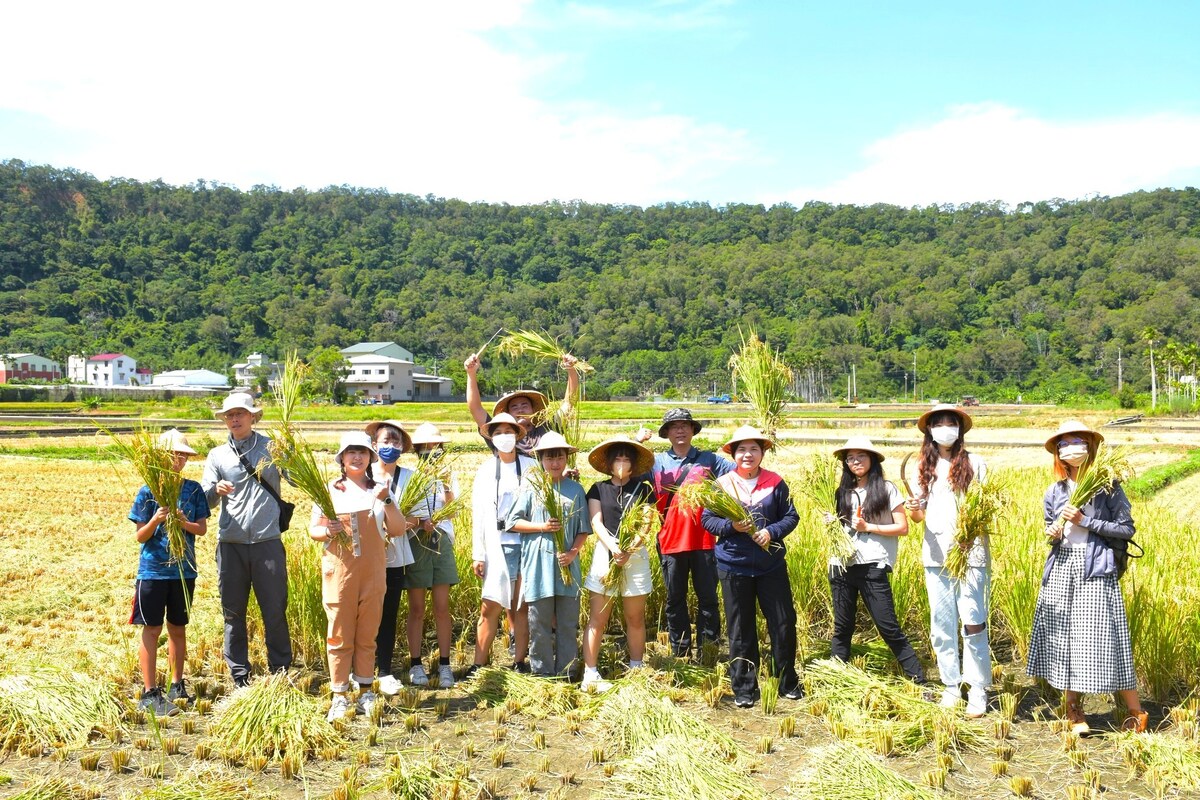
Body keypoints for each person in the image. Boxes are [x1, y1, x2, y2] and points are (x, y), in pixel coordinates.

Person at [1026, 421, 1147, 735]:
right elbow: (1053, 532)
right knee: (1066, 639)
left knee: (1109, 639)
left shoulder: (1108, 487)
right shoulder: (1054, 491)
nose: (1070, 448)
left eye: (1076, 441)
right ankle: (1074, 710)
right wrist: (1053, 532)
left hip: (1095, 569)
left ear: (1090, 447)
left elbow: (1126, 529)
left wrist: (1086, 520)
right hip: (1061, 568)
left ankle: (1136, 712)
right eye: (1063, 445)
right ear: (1058, 454)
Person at [309, 431, 409, 722]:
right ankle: (339, 696)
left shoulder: (379, 488)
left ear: (370, 457)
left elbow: (399, 529)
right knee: (339, 633)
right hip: (339, 570)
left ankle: (366, 690)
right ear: (341, 458)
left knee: (368, 633)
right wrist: (329, 531)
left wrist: (387, 499)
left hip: (374, 571)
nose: (356, 456)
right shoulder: (329, 490)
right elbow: (314, 530)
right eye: (351, 452)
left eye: (362, 452)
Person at [701, 426, 801, 707]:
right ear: (733, 454)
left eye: (754, 449)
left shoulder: (775, 483)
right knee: (740, 628)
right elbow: (708, 521)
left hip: (771, 565)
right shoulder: (722, 484)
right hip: (733, 565)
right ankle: (744, 688)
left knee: (783, 623)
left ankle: (786, 681)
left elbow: (791, 517)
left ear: (762, 453)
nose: (748, 454)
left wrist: (771, 532)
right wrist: (731, 526)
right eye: (742, 449)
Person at [904, 404, 990, 717]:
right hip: (936, 553)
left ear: (960, 429)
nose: (945, 428)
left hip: (971, 553)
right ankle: (952, 685)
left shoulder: (976, 463)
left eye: (950, 423)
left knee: (973, 622)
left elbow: (984, 507)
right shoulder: (921, 467)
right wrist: (914, 506)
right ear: (929, 431)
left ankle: (978, 687)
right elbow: (916, 517)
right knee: (941, 624)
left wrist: (970, 535)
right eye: (938, 423)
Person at [201, 392, 292, 686]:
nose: (235, 419)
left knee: (275, 609)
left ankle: (280, 670)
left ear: (253, 416)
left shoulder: (271, 447)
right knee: (232, 613)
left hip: (267, 542)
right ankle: (239, 674)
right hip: (231, 544)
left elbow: (297, 478)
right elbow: (206, 501)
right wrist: (217, 490)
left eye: (240, 413)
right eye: (230, 415)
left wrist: (290, 453)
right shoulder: (217, 455)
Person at [826, 436, 924, 683]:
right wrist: (831, 524)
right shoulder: (841, 493)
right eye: (850, 457)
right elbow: (840, 529)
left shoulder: (887, 489)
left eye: (861, 456)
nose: (855, 461)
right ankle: (837, 677)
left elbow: (903, 527)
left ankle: (919, 680)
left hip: (872, 565)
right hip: (841, 565)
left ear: (872, 460)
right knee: (842, 627)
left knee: (888, 627)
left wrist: (867, 526)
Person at [636, 408, 732, 658]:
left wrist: (742, 447)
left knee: (708, 599)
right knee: (674, 600)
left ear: (692, 430)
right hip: (670, 541)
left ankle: (708, 652)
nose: (680, 430)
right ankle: (680, 653)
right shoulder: (654, 462)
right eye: (674, 426)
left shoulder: (710, 460)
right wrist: (637, 443)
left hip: (705, 541)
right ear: (666, 432)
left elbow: (741, 472)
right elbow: (622, 471)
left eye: (685, 425)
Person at [129, 429, 210, 716]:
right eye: (172, 455)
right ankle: (150, 691)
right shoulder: (147, 491)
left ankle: (177, 683)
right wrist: (156, 519)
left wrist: (184, 522)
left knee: (178, 627)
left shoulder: (193, 489)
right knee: (152, 629)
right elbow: (140, 536)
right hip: (152, 571)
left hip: (184, 571)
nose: (177, 460)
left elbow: (201, 529)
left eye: (181, 456)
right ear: (158, 458)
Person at [506, 431, 591, 677]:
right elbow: (512, 522)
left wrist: (573, 553)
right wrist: (542, 527)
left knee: (567, 622)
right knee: (539, 622)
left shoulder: (575, 490)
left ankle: (566, 672)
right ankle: (542, 672)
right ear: (541, 459)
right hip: (538, 565)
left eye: (560, 458)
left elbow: (584, 529)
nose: (555, 463)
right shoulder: (531, 487)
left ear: (566, 459)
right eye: (549, 458)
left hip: (567, 565)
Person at [580, 437, 657, 690]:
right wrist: (614, 547)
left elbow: (646, 524)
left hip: (635, 558)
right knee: (597, 619)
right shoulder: (597, 489)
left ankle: (636, 668)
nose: (622, 463)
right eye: (617, 459)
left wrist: (629, 548)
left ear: (634, 465)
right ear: (609, 464)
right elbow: (596, 522)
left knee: (635, 617)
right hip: (605, 555)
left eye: (627, 459)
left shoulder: (644, 489)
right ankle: (590, 673)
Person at [466, 414, 537, 676]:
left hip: (525, 544)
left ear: (518, 435)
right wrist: (478, 554)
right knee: (490, 606)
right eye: (499, 432)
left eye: (510, 431)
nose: (505, 436)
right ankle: (479, 662)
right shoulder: (485, 470)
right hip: (496, 545)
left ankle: (520, 661)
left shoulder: (531, 466)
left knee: (520, 606)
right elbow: (478, 514)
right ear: (491, 437)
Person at [403, 423, 461, 689]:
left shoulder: (448, 478)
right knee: (416, 608)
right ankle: (416, 664)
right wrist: (421, 522)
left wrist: (447, 485)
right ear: (416, 450)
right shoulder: (409, 478)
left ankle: (445, 665)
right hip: (417, 543)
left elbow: (451, 512)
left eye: (435, 447)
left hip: (442, 542)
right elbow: (404, 516)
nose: (430, 451)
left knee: (442, 607)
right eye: (424, 448)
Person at [364, 420, 417, 696]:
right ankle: (358, 669)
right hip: (363, 556)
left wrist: (399, 524)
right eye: (385, 441)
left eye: (396, 443)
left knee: (388, 613)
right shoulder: (363, 473)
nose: (390, 447)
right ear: (374, 445)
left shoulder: (410, 477)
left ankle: (384, 669)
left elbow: (419, 516)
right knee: (362, 613)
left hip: (395, 554)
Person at [464, 351, 581, 456]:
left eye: (524, 405)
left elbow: (569, 404)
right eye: (514, 407)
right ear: (508, 413)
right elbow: (476, 409)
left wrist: (571, 370)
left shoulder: (547, 429)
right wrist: (471, 373)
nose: (520, 410)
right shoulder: (500, 434)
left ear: (534, 410)